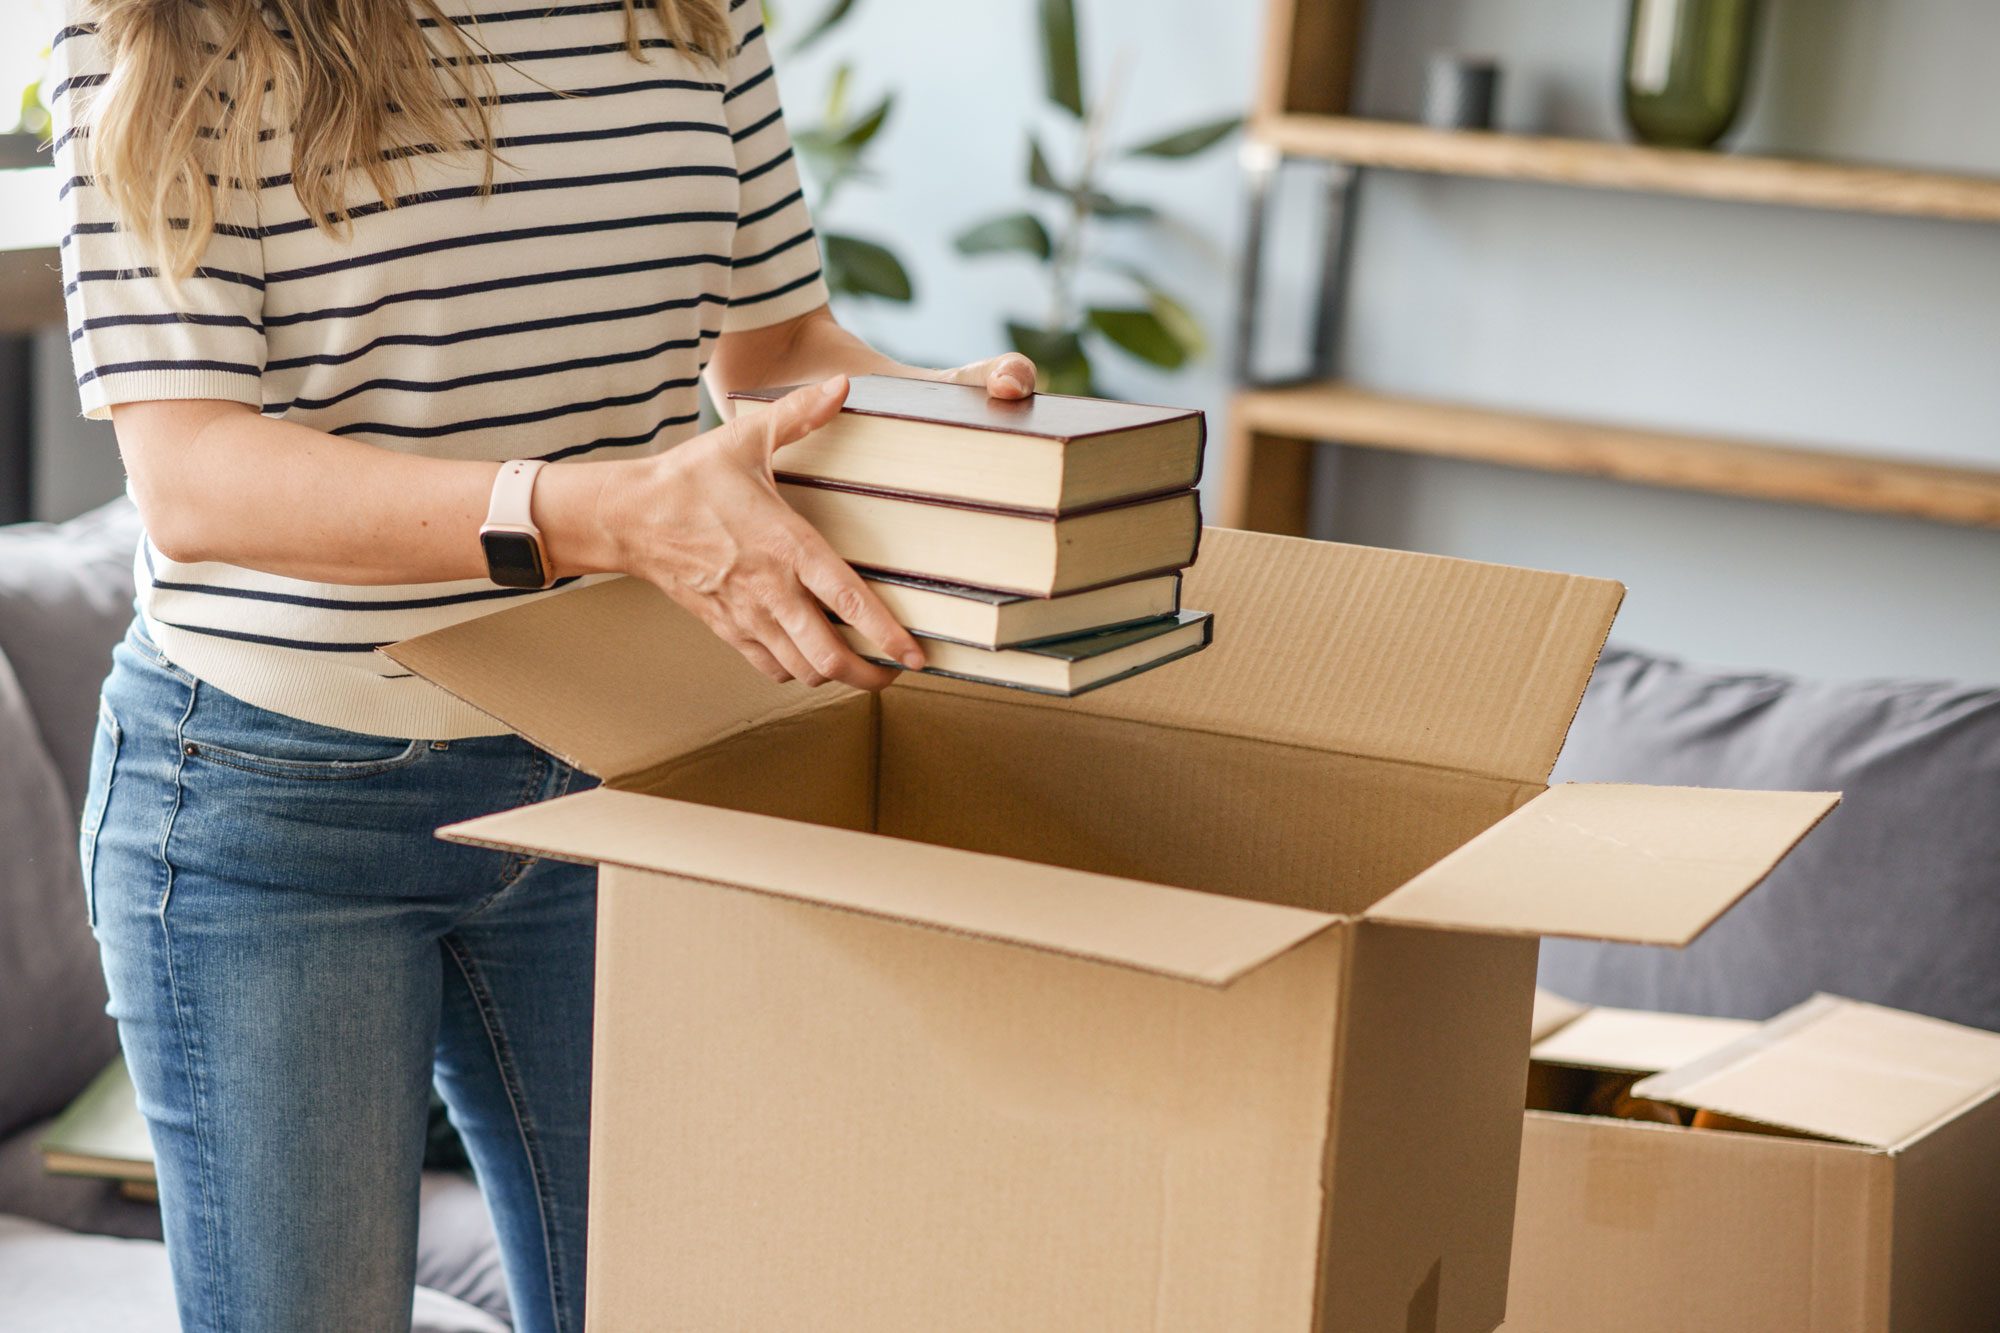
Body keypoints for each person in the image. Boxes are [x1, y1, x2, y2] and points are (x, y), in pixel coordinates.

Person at [51, 2, 1035, 1329]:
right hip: (271, 806)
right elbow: (196, 476)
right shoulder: (172, 19)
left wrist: (940, 427)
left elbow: (778, 349)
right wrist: (605, 514)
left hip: (612, 763)